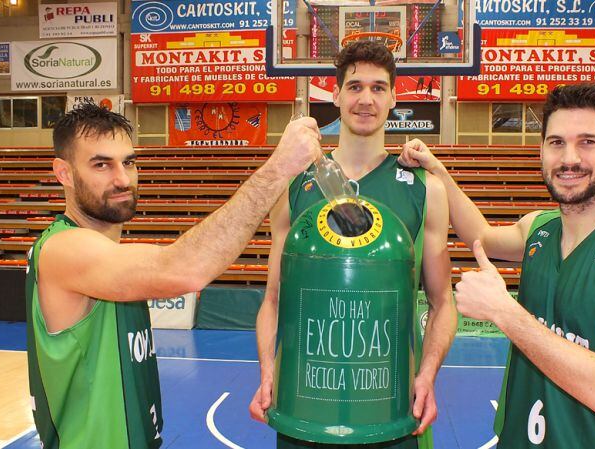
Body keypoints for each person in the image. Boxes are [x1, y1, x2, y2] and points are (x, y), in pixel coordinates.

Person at [399, 82, 595, 448]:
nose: (569, 159)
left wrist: (506, 312)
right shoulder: (539, 229)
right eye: (556, 142)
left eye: (588, 142)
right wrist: (437, 169)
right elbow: (480, 235)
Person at [26, 103, 320, 448]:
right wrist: (278, 169)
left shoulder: (107, 257)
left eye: (129, 162)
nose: (122, 178)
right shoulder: (64, 249)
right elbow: (186, 269)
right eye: (101, 164)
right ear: (63, 173)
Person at [249, 40, 457, 449]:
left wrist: (427, 374)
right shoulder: (294, 186)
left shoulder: (425, 189)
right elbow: (273, 299)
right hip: (304, 406)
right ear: (337, 95)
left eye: (379, 88)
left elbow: (443, 303)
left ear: (394, 97)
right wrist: (268, 371)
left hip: (391, 406)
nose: (366, 99)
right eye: (355, 86)